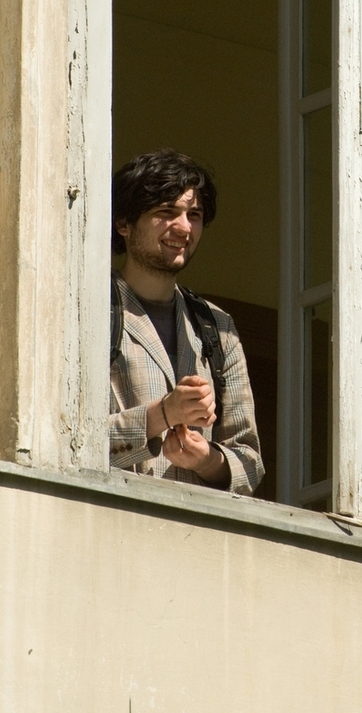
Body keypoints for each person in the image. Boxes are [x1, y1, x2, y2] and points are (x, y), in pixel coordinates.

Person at [109, 148, 264, 496]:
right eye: (166, 212)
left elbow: (250, 462)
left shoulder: (217, 326)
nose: (183, 227)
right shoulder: (87, 310)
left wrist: (206, 460)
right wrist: (163, 414)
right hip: (111, 518)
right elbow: (64, 441)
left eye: (194, 215)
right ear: (123, 224)